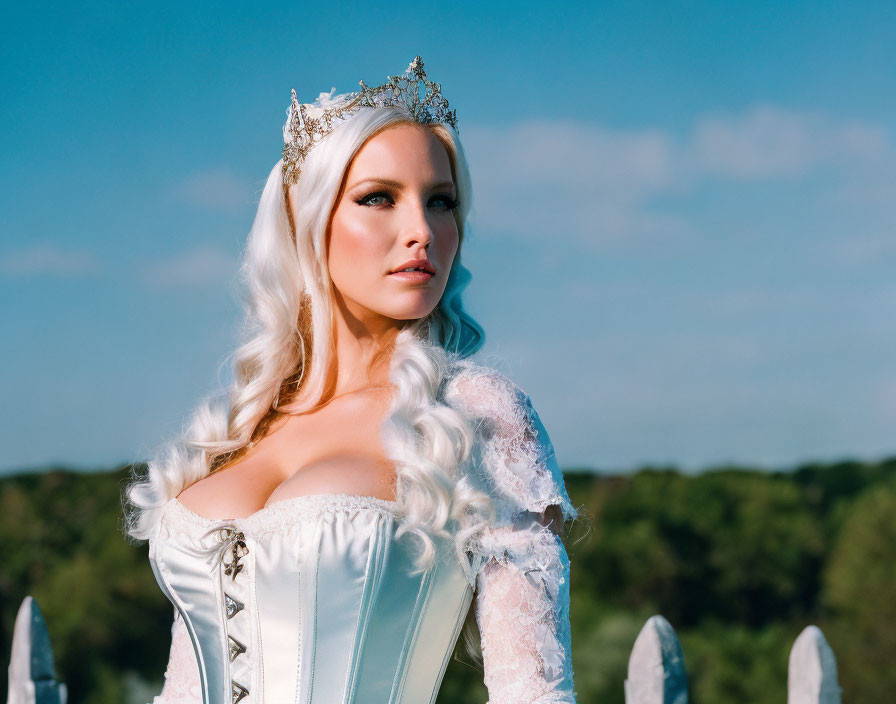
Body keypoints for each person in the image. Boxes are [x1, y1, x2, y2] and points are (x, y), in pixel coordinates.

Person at [124, 56, 579, 704]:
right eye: (379, 198)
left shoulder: (472, 415)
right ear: (308, 222)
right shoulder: (241, 425)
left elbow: (532, 693)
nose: (422, 231)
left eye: (442, 202)